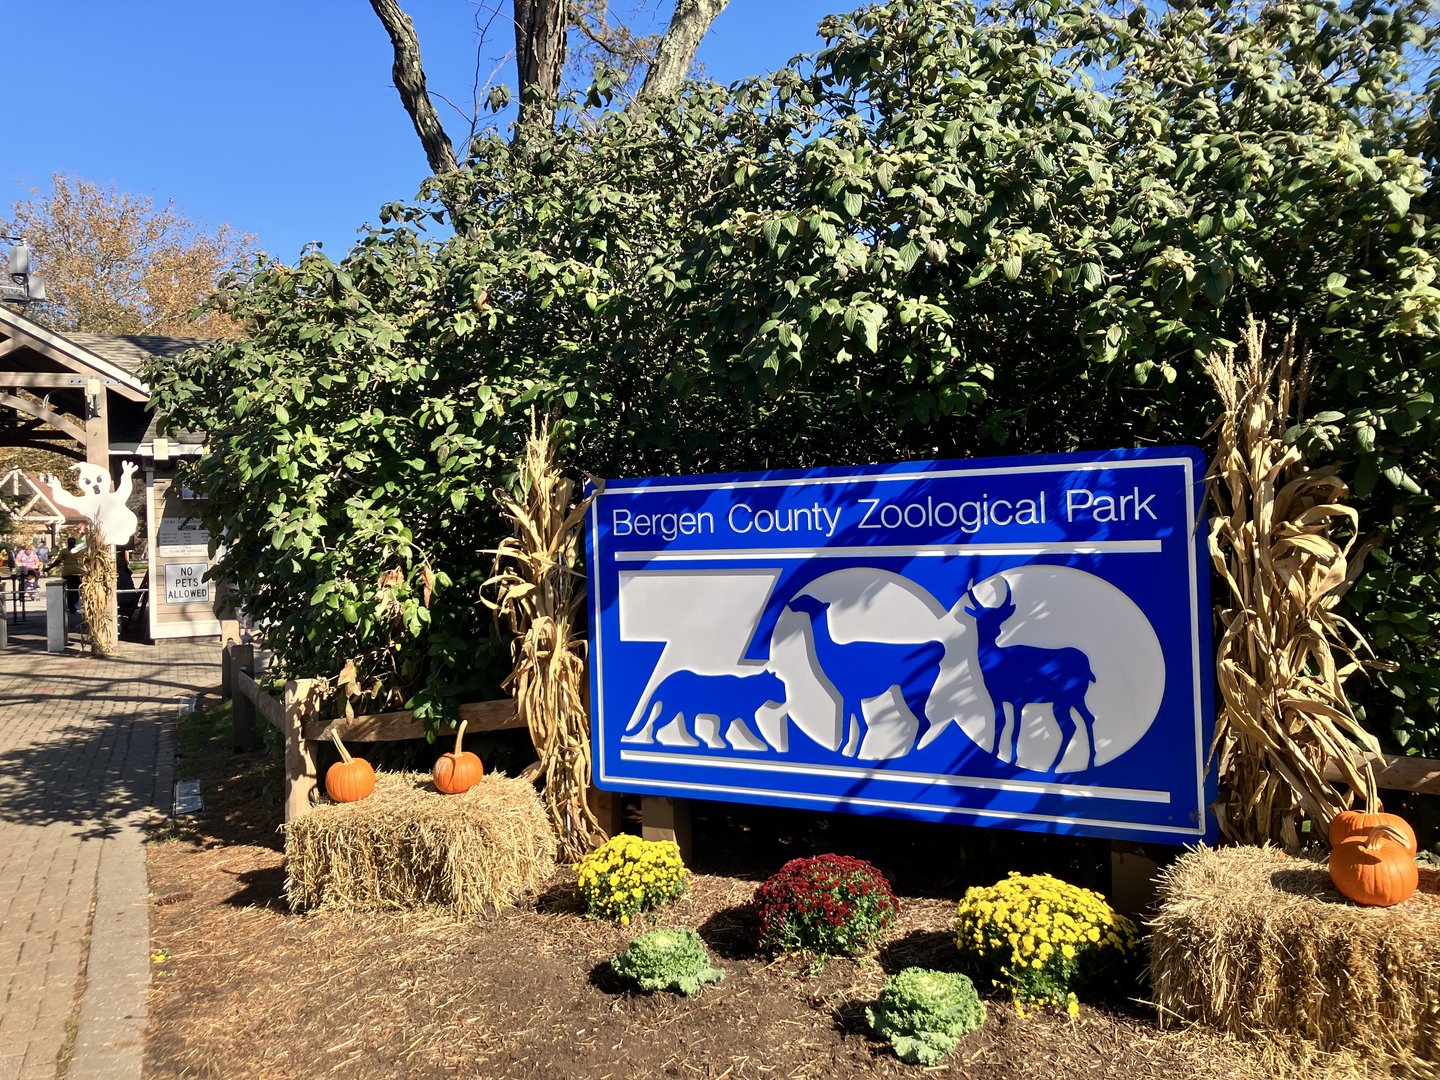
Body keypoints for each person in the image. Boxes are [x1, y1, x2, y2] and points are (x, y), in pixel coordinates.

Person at [46, 537, 85, 613]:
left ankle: (71, 605)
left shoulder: (64, 551)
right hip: (78, 571)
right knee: (77, 589)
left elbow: (57, 561)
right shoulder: (80, 551)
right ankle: (75, 604)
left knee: (69, 589)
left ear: (68, 543)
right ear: (75, 543)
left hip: (68, 572)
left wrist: (49, 568)